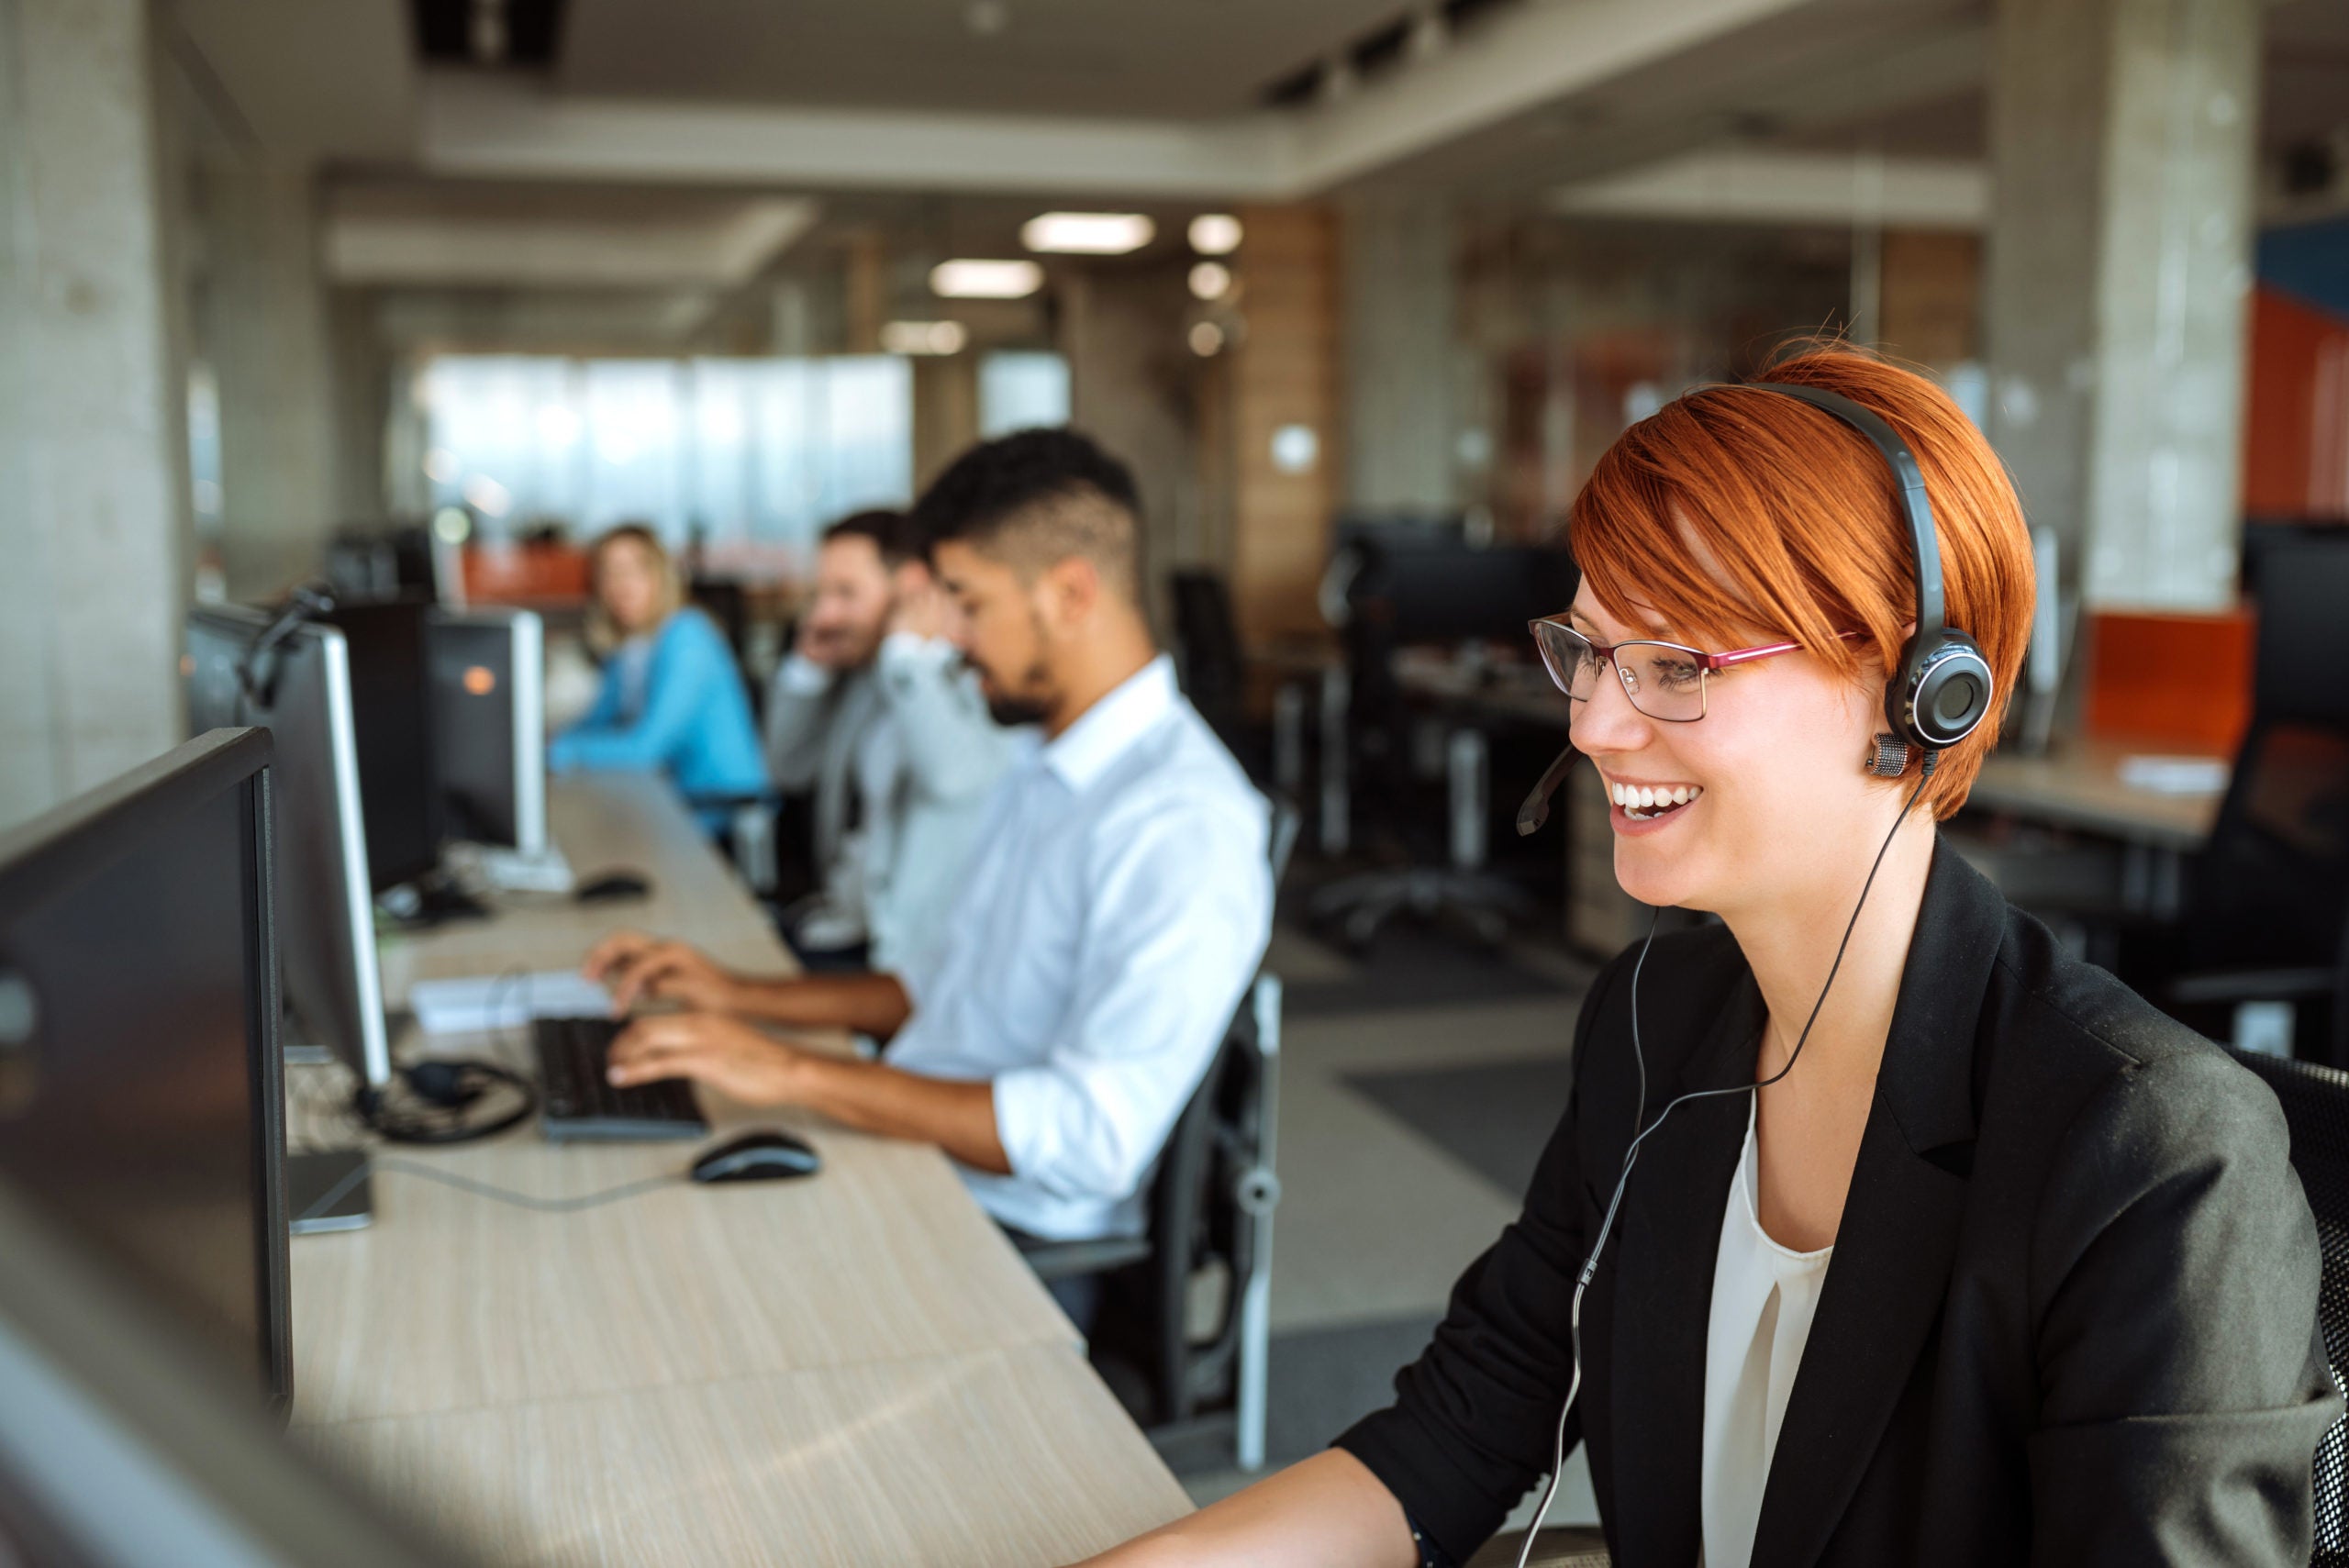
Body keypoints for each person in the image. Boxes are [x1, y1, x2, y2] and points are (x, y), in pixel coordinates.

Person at [1075, 349, 2338, 1568]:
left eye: (1676, 663)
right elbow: (1457, 1432)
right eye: (1587, 650)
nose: (1594, 721)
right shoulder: (1651, 1016)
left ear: (1912, 685)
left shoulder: (2147, 1153)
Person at [582, 429, 1275, 1297]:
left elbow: (1093, 1136)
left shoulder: (1181, 821)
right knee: (612, 1218)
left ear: (1070, 593)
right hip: (918, 1153)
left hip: (1005, 1234)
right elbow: (938, 986)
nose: (947, 638)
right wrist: (738, 997)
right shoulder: (1040, 764)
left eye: (968, 603)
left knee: (651, 1278)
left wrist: (788, 1070)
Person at [763, 508, 1019, 973]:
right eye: (820, 594)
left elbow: (954, 778)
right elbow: (788, 768)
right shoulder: (865, 677)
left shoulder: (962, 676)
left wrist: (908, 655)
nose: (824, 615)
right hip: (837, 925)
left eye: (845, 593)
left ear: (912, 586)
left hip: (904, 963)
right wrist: (807, 671)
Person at [549, 524, 767, 829]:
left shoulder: (688, 635)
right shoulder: (631, 645)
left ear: (660, 577)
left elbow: (645, 748)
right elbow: (599, 720)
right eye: (608, 573)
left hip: (720, 808)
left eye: (634, 570)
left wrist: (561, 751)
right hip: (667, 795)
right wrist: (548, 742)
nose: (620, 584)